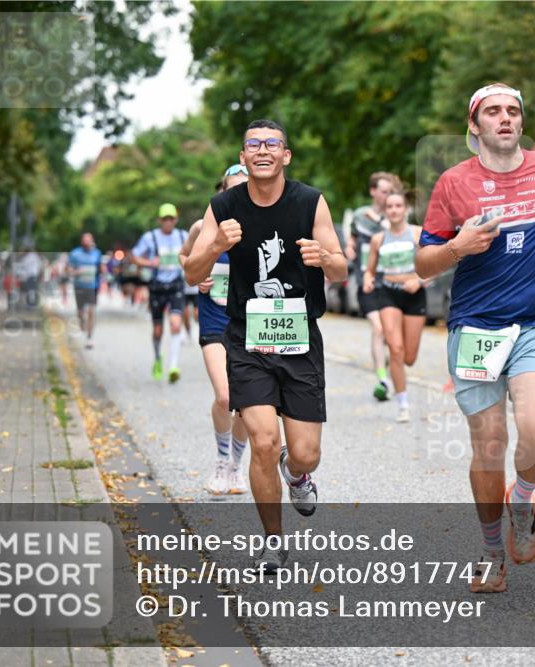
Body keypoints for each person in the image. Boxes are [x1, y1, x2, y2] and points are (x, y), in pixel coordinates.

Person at [415, 83, 535, 593]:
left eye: (513, 110)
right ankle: (492, 554)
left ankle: (523, 498)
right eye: (493, 112)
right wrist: (458, 246)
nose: (505, 118)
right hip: (474, 327)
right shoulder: (453, 183)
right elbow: (424, 263)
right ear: (474, 126)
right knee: (489, 447)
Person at [185, 120, 347, 573]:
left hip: (299, 339)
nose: (262, 151)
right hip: (247, 338)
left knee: (305, 452)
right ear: (243, 155)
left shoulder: (310, 201)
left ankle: (296, 473)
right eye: (254, 144)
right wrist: (215, 243)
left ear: (286, 155)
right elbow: (191, 271)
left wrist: (325, 259)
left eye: (271, 144)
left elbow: (341, 270)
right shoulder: (223, 205)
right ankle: (273, 542)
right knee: (261, 441)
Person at [179, 164, 252, 496]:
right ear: (222, 191)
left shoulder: (262, 228)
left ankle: (237, 467)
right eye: (231, 188)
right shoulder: (202, 226)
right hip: (214, 318)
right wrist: (199, 273)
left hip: (251, 323)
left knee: (247, 404)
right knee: (225, 397)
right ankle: (222, 462)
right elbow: (185, 259)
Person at [362, 190, 426, 423]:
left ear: (405, 209)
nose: (394, 210)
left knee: (409, 357)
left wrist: (418, 281)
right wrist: (369, 279)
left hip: (414, 295)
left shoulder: (417, 234)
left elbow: (435, 265)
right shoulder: (379, 239)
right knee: (395, 349)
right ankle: (403, 404)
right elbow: (370, 269)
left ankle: (397, 370)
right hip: (388, 294)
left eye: (398, 206)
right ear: (385, 210)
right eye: (390, 207)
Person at [346, 172, 401, 402]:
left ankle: (388, 365)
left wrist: (380, 221)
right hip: (366, 282)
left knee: (390, 333)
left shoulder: (395, 216)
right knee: (377, 328)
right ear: (373, 191)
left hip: (390, 282)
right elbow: (352, 240)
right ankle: (382, 379)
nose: (386, 195)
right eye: (383, 191)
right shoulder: (359, 216)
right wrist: (349, 249)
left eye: (390, 191)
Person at [132, 204, 189, 383]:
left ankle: (173, 366)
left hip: (176, 286)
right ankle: (158, 358)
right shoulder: (150, 238)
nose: (168, 222)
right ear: (159, 220)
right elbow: (134, 257)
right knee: (158, 330)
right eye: (165, 219)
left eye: (171, 218)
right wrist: (150, 263)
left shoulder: (183, 236)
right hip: (157, 287)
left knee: (175, 324)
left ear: (176, 220)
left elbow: (194, 253)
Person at [68, 232, 104, 349]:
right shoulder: (75, 253)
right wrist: (76, 272)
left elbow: (101, 268)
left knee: (92, 311)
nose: (87, 243)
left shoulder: (97, 253)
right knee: (80, 312)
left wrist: (103, 270)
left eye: (89, 240)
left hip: (92, 286)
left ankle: (89, 338)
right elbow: (68, 270)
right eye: (85, 240)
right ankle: (82, 324)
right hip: (79, 286)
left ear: (92, 241)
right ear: (82, 242)